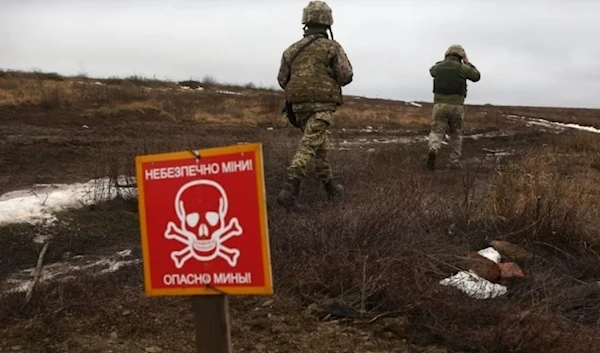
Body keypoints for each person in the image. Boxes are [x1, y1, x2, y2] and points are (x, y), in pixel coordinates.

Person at [276, 1, 354, 208]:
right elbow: (346, 76)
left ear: (306, 21)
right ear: (327, 22)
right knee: (309, 145)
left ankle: (331, 188)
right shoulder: (332, 47)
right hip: (322, 105)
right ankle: (290, 188)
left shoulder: (291, 50)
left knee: (319, 146)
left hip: (297, 107)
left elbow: (282, 80)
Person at [427, 45, 481, 170]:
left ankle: (433, 149)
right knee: (455, 134)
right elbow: (476, 76)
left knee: (436, 131)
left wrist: (444, 61)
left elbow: (432, 71)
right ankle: (453, 161)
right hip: (457, 106)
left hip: (439, 105)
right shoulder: (463, 68)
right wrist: (468, 62)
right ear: (461, 56)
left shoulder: (438, 68)